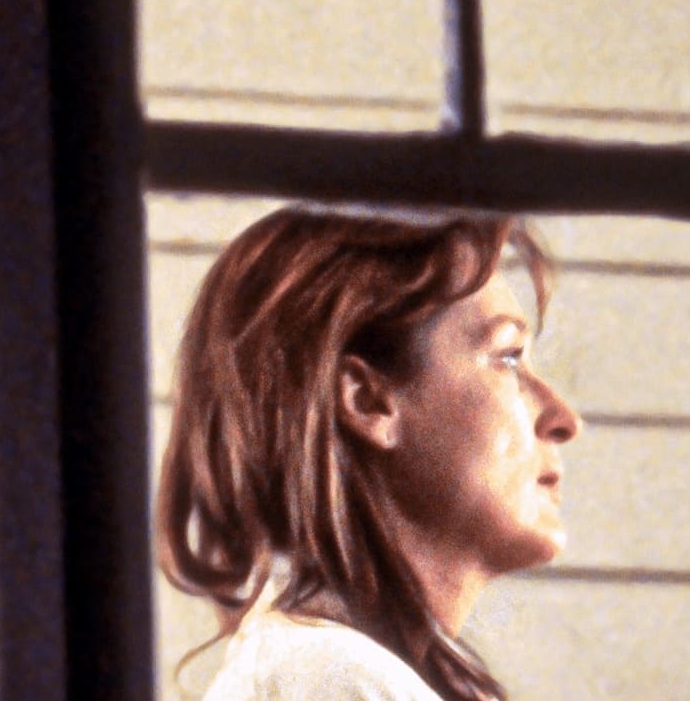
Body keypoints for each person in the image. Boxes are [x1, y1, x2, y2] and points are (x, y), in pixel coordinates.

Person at [157, 208, 581, 701]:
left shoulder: (328, 672)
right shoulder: (332, 681)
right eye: (507, 357)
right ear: (367, 401)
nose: (563, 417)